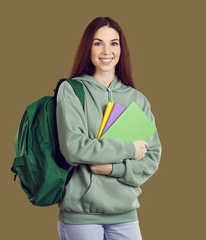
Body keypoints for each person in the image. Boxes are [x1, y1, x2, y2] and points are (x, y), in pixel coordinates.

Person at [56, 17, 162, 240]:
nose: (107, 51)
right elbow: (74, 148)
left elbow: (152, 156)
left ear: (121, 48)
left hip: (125, 214)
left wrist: (115, 169)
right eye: (98, 43)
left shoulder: (137, 99)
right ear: (88, 47)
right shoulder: (72, 90)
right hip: (82, 215)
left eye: (114, 43)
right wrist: (129, 150)